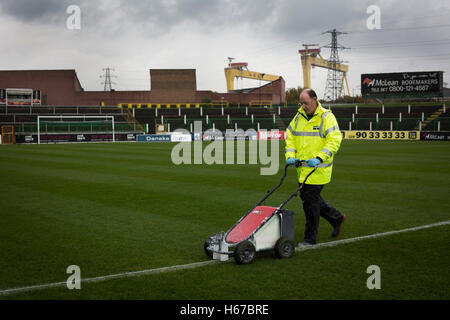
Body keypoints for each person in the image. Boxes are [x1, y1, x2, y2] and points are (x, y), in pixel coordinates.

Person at [285, 88, 346, 247]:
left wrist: (319, 158)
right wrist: (290, 156)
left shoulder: (327, 117)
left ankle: (310, 239)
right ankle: (336, 217)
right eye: (301, 103)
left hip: (318, 169)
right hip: (302, 169)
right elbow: (290, 137)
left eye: (305, 103)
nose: (303, 106)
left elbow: (334, 140)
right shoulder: (298, 117)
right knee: (310, 199)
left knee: (310, 204)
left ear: (315, 100)